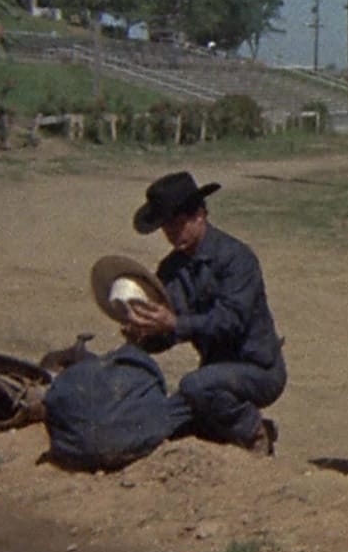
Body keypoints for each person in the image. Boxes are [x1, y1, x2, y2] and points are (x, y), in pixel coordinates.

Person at [121, 171, 285, 454]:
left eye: (178, 225)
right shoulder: (171, 269)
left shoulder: (237, 258)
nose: (172, 235)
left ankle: (253, 430)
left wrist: (173, 323)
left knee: (194, 386)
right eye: (167, 228)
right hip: (212, 375)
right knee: (159, 421)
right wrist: (145, 332)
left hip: (258, 371)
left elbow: (230, 322)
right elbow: (169, 333)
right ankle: (222, 426)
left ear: (200, 215)